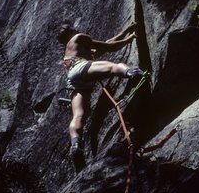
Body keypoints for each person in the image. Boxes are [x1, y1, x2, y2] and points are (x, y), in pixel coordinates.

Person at [57, 22, 144, 156]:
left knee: (78, 116)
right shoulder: (79, 37)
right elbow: (109, 47)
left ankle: (75, 145)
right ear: (71, 32)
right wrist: (129, 39)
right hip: (80, 67)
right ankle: (131, 72)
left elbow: (106, 44)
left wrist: (127, 31)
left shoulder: (70, 52)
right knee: (112, 67)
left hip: (74, 81)